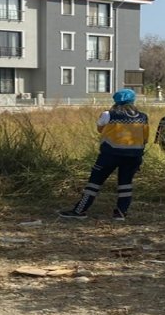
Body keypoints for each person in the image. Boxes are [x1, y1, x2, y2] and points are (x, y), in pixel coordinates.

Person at [59, 88, 150, 220]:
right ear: (133, 100)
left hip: (109, 155)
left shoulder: (108, 114)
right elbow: (145, 138)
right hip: (134, 156)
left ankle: (79, 211)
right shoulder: (143, 117)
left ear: (115, 100)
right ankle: (120, 213)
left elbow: (100, 129)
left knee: (94, 183)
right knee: (125, 184)